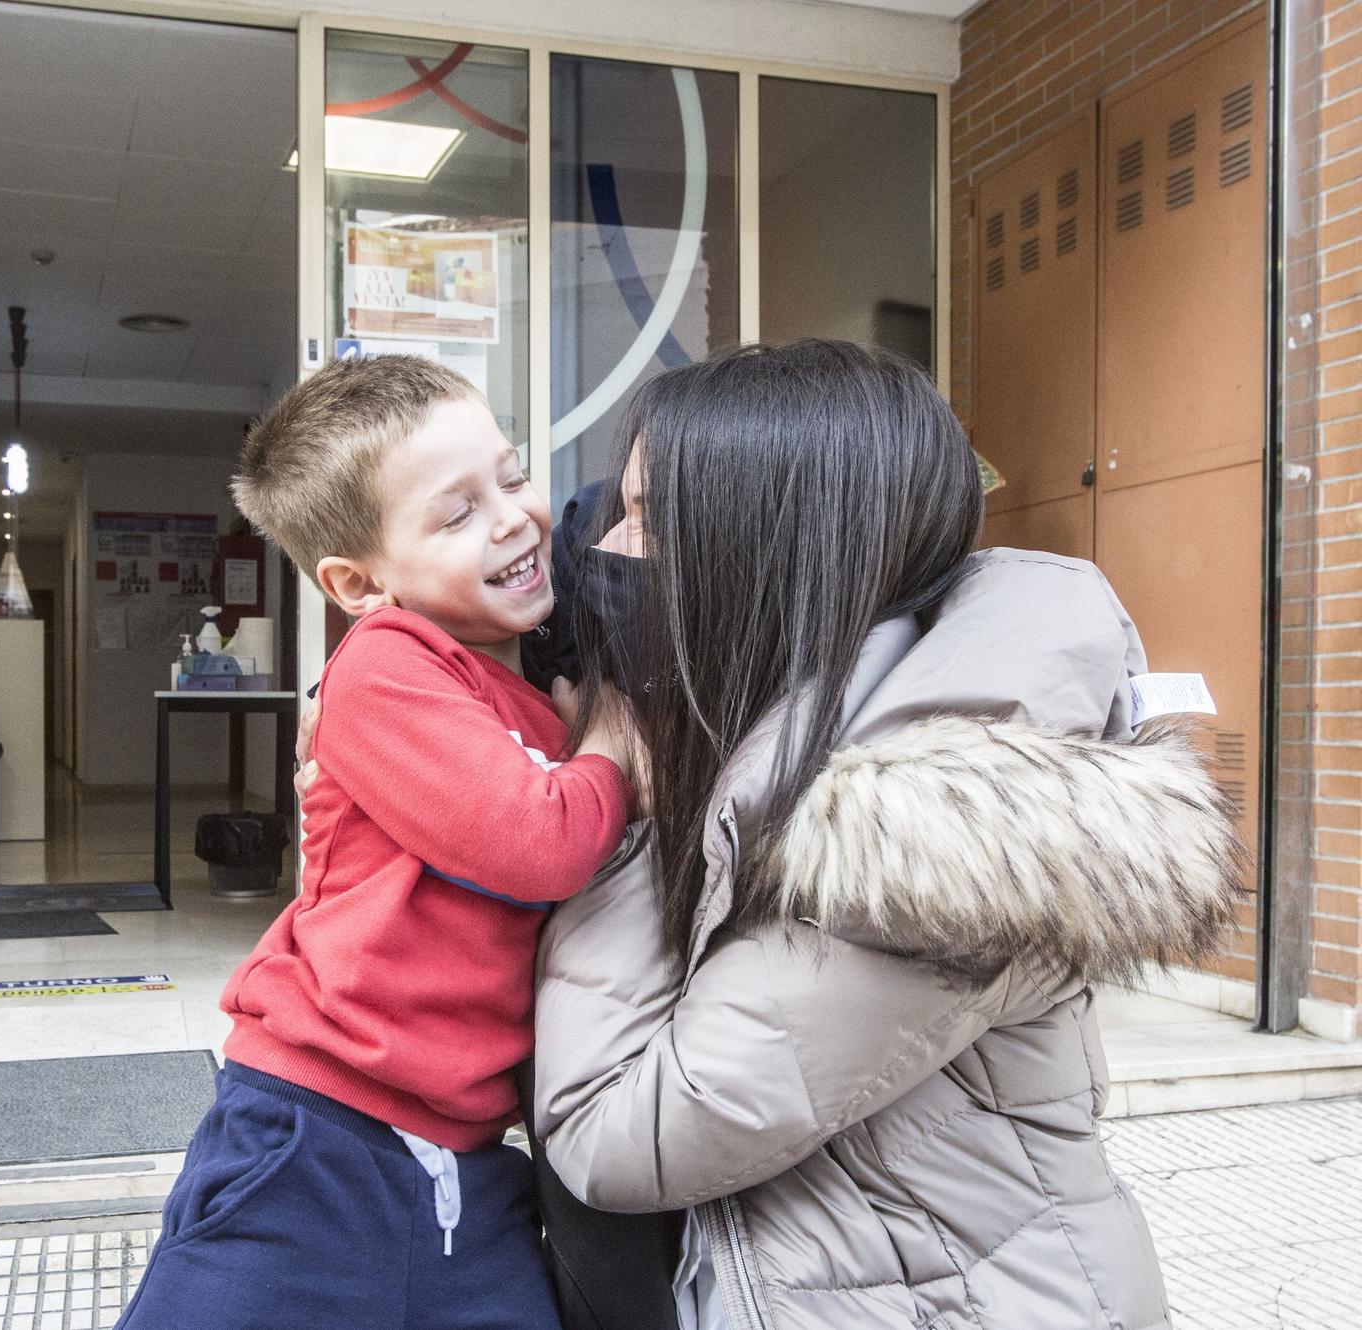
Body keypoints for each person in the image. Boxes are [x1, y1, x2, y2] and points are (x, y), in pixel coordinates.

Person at [529, 342, 1244, 1329]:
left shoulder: (923, 830)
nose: (615, 551)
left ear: (764, 553)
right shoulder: (795, 723)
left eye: (649, 522)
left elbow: (614, 1132)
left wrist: (618, 799)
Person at [113, 356, 638, 1330]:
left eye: (511, 476)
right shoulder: (385, 667)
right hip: (312, 1134)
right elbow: (539, 840)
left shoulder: (522, 669)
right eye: (455, 514)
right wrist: (608, 740)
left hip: (470, 1161)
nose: (515, 518)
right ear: (359, 583)